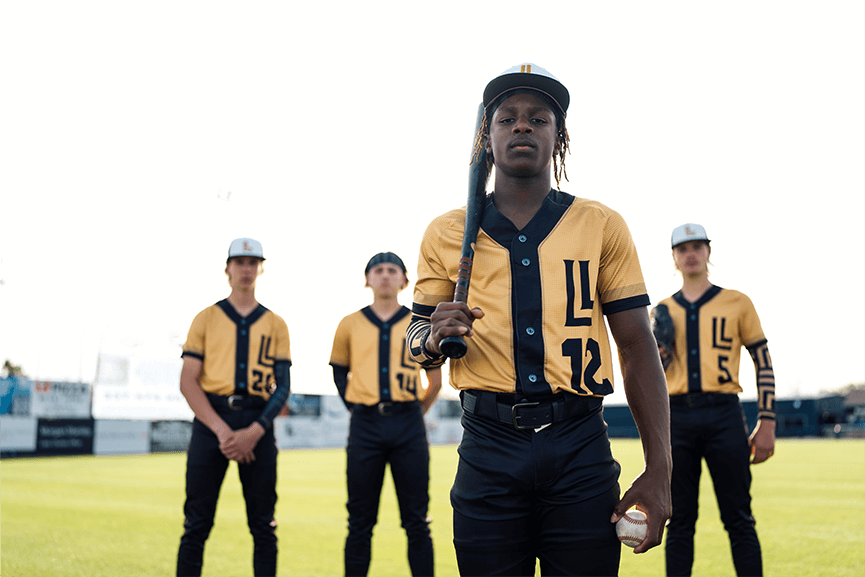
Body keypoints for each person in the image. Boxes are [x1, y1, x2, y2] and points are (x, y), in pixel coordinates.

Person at [406, 63, 672, 577]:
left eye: (538, 118)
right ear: (488, 137)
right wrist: (434, 337)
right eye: (506, 118)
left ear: (560, 136)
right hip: (488, 445)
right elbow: (413, 342)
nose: (522, 126)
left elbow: (638, 346)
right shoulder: (446, 231)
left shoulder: (601, 224)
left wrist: (660, 468)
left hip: (580, 447)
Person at [654, 223, 776, 577]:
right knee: (678, 523)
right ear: (674, 258)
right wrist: (660, 350)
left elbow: (763, 361)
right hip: (677, 419)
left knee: (740, 519)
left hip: (725, 415)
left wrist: (766, 420)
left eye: (697, 246)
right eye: (682, 248)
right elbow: (651, 375)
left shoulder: (737, 302)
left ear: (708, 252)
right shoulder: (661, 310)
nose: (690, 254)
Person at [176, 238, 291, 577]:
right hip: (213, 422)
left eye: (252, 262)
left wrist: (254, 432)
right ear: (227, 268)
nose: (246, 269)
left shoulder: (276, 323)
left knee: (263, 525)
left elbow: (282, 386)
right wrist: (224, 431)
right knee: (196, 523)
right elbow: (188, 381)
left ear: (260, 268)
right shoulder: (206, 318)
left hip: (257, 421)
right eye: (239, 262)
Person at [330, 251, 442, 577]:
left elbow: (434, 382)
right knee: (360, 521)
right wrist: (358, 407)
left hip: (408, 422)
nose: (385, 275)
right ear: (367, 279)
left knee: (417, 520)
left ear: (405, 280)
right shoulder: (349, 323)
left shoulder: (418, 325)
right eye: (377, 269)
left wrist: (413, 412)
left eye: (393, 269)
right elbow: (340, 373)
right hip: (365, 424)